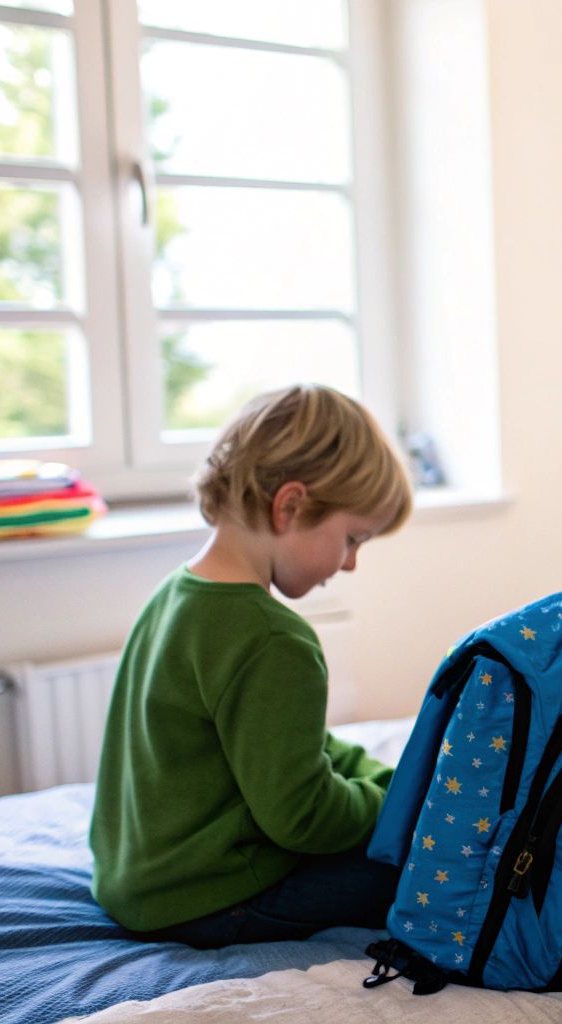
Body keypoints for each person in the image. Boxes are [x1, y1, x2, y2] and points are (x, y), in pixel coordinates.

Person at [90, 384, 413, 948]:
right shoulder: (273, 639)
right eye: (352, 538)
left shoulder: (177, 594)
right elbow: (306, 818)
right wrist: (399, 807)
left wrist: (379, 777)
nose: (352, 563)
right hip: (207, 898)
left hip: (134, 883)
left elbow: (290, 745)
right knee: (427, 871)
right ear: (289, 506)